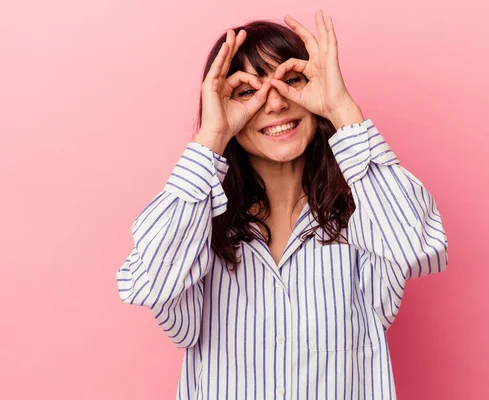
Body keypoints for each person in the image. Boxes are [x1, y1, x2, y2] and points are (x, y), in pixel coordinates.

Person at [116, 10, 448, 400]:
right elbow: (149, 283)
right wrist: (211, 137)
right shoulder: (199, 229)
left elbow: (418, 248)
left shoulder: (363, 216)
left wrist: (342, 109)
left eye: (291, 81)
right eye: (247, 92)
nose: (274, 104)